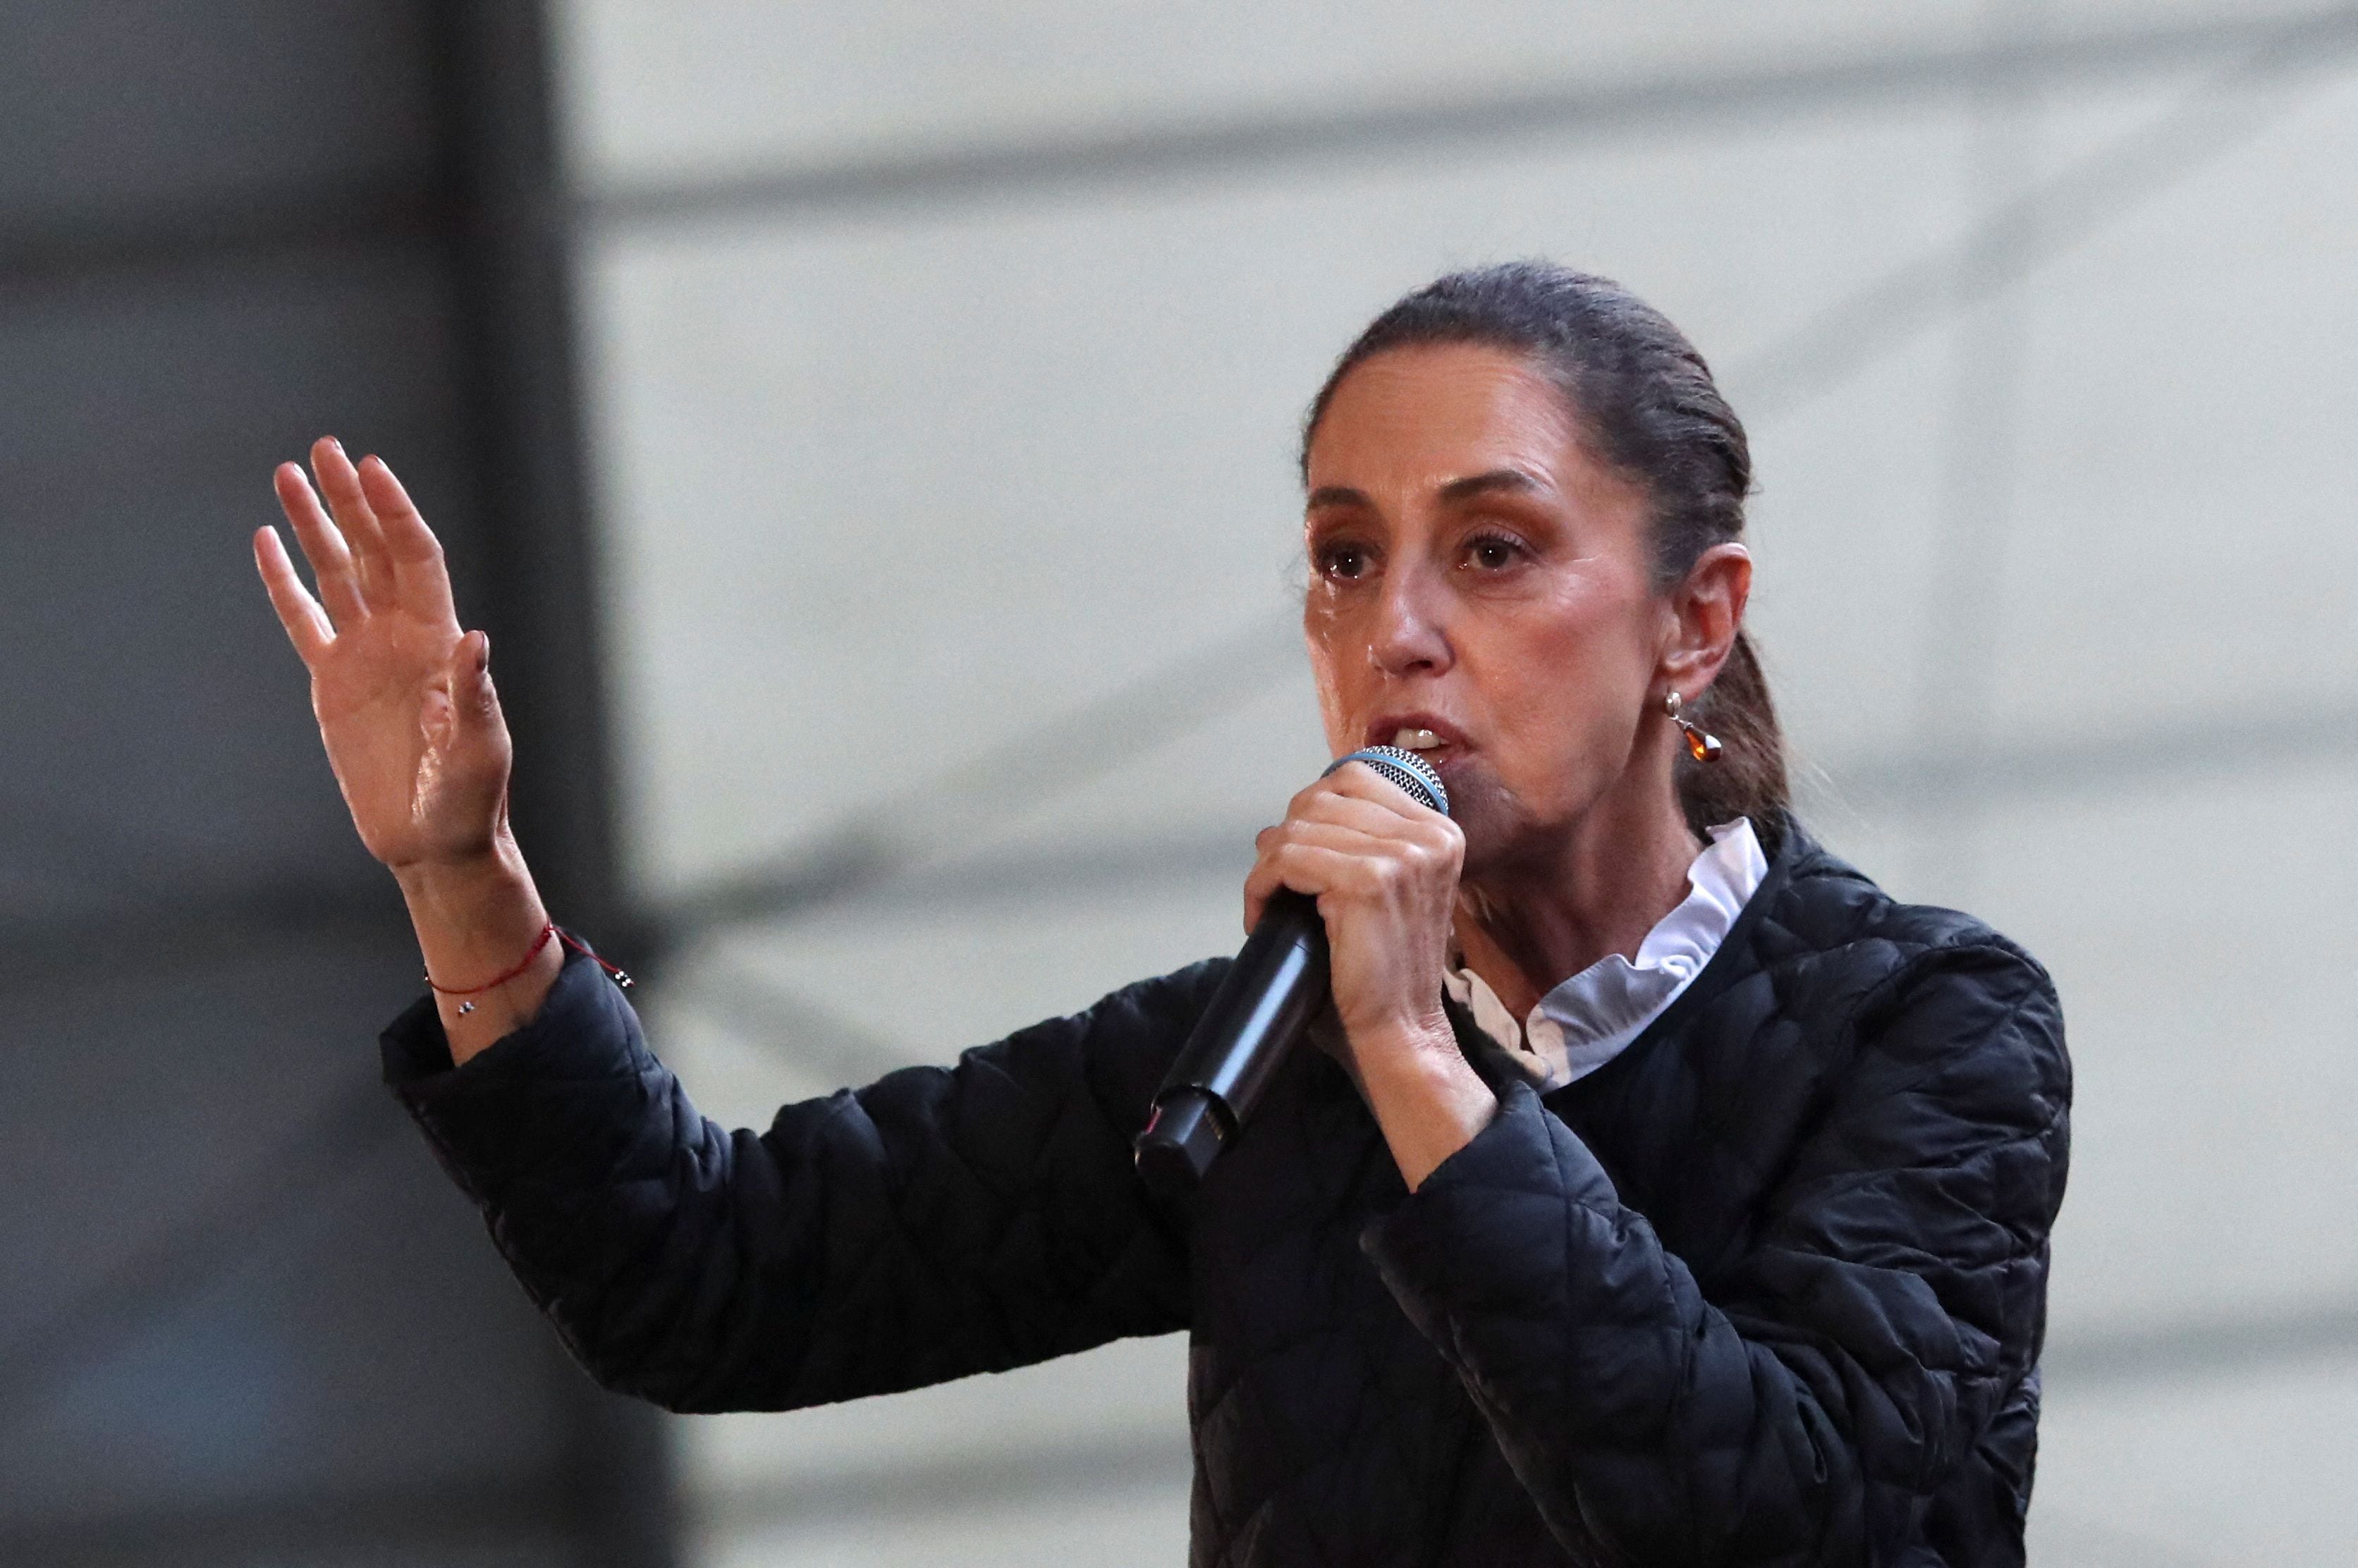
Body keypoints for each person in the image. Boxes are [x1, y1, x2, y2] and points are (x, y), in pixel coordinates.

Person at [253, 263, 2070, 1566]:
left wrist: (1416, 1063)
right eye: (1346, 558)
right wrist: (457, 867)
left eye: (1494, 549)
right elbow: (709, 1280)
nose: (1397, 632)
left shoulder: (1924, 1026)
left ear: (1694, 617)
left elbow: (1798, 1528)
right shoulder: (1261, 1050)